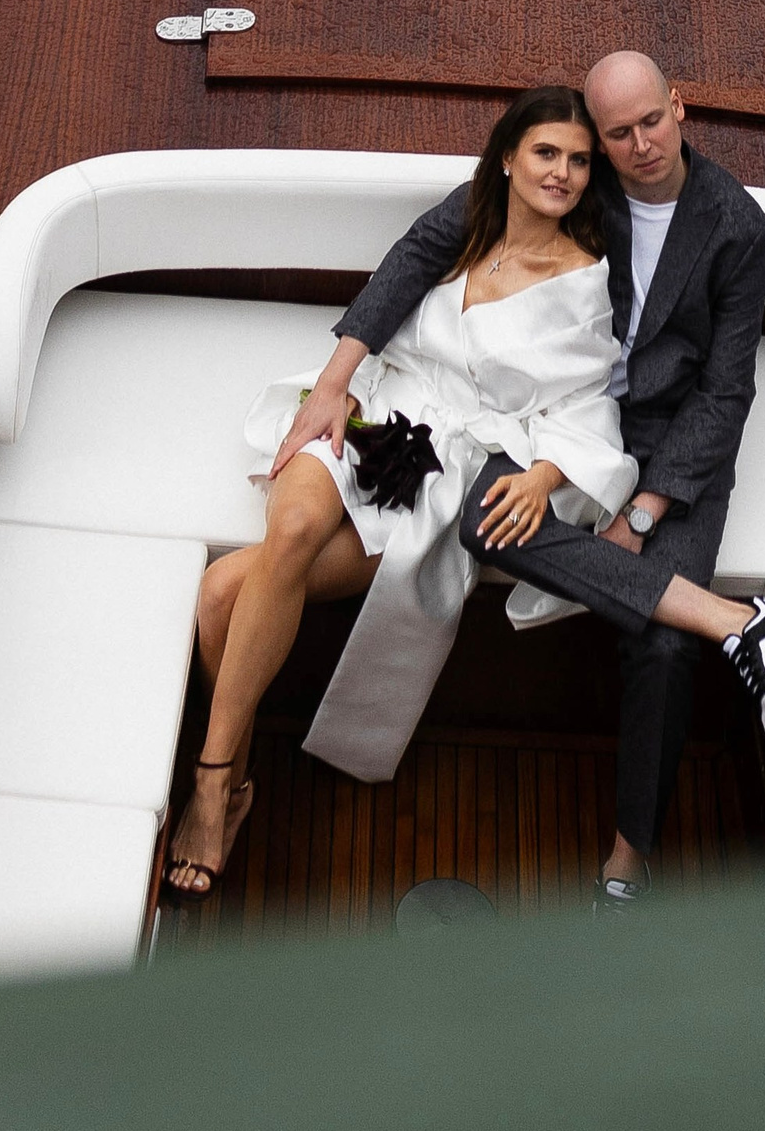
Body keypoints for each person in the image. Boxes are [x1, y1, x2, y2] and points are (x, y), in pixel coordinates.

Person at [296, 47, 765, 912]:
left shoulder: (734, 226)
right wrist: (337, 377)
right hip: (546, 419)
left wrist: (643, 509)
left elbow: (726, 389)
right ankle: (743, 623)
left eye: (651, 121)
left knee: (659, 643)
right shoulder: (574, 181)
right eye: (618, 134)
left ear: (679, 108)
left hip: (672, 450)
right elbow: (426, 246)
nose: (639, 144)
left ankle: (627, 857)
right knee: (482, 518)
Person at [163, 87, 636, 899]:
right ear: (509, 158)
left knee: (217, 595)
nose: (561, 173)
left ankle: (227, 784)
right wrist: (330, 387)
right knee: (297, 521)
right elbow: (400, 273)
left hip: (442, 469)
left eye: (579, 161)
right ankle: (215, 787)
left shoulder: (583, 283)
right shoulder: (467, 224)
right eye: (546, 153)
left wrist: (546, 475)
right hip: (377, 408)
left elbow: (588, 404)